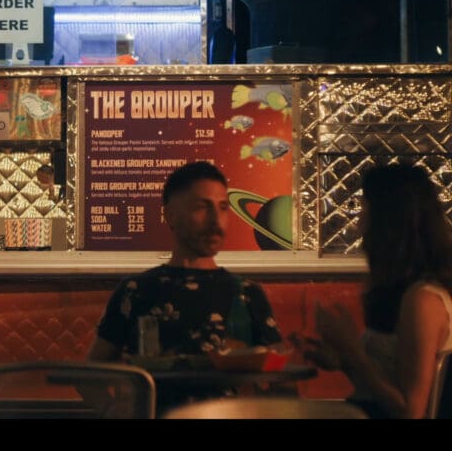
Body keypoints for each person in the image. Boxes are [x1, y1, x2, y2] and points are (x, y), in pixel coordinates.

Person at [88, 162, 283, 408]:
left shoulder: (246, 293)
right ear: (171, 215)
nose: (216, 220)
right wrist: (117, 414)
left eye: (223, 208)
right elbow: (90, 375)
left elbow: (280, 375)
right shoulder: (137, 291)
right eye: (202, 207)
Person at [297, 163, 452, 418]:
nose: (359, 222)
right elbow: (381, 381)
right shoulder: (404, 292)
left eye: (365, 209)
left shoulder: (424, 300)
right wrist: (342, 361)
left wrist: (353, 352)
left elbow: (410, 412)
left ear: (389, 222)